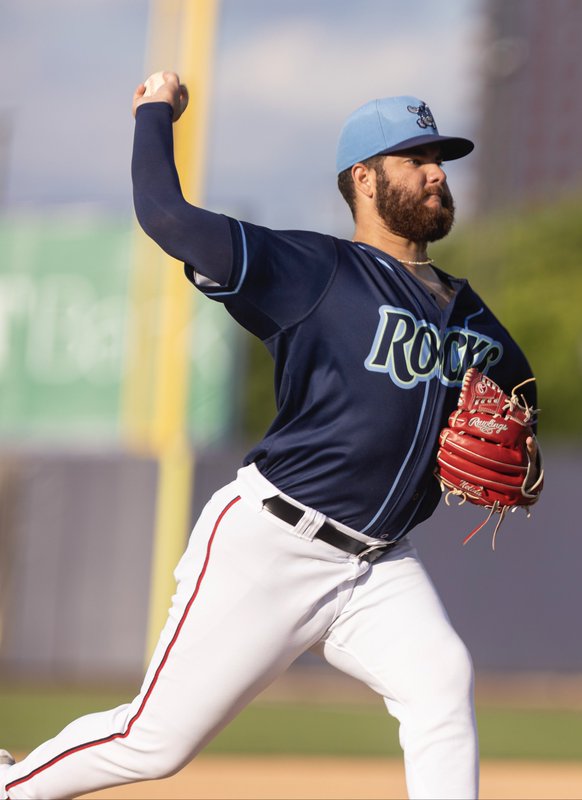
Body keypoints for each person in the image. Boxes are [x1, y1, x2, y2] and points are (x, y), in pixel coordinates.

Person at [0, 72, 538, 800]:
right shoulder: (313, 270)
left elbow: (522, 405)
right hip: (274, 541)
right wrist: (155, 110)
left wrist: (527, 462)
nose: (438, 174)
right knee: (153, 743)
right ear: (366, 178)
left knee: (441, 681)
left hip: (378, 565)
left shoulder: (470, 316)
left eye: (441, 159)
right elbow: (165, 215)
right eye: (417, 160)